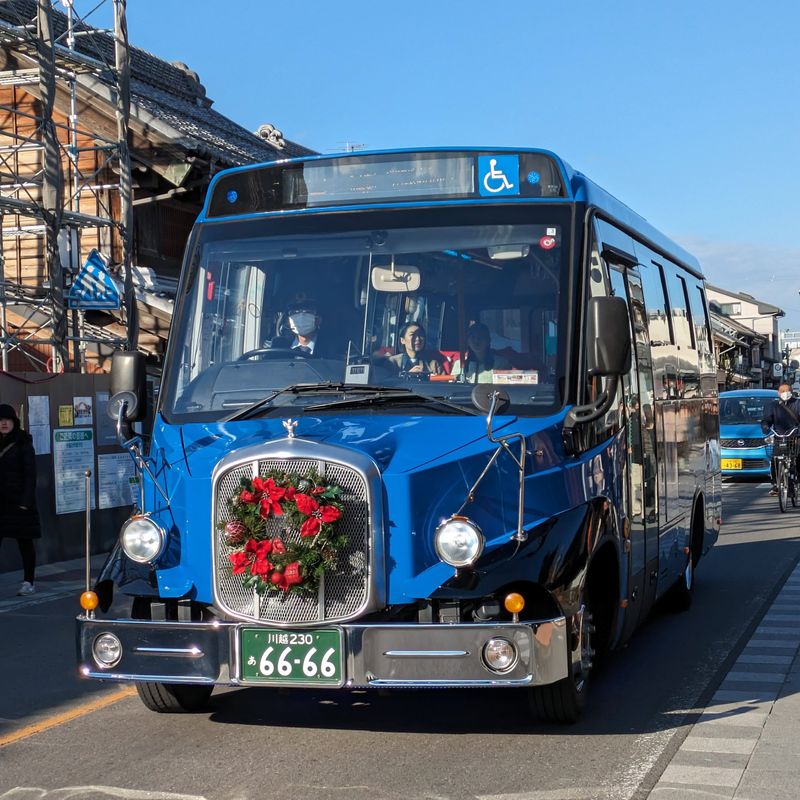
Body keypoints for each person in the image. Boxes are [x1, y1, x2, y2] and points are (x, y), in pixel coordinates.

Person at [0, 403, 41, 595]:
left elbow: (30, 474)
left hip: (19, 503)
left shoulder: (23, 442)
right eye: (0, 420)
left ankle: (28, 582)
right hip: (1, 503)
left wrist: (25, 502)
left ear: (14, 422)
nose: (4, 423)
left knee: (25, 543)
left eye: (7, 420)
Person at [761, 383, 800, 495]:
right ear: (778, 393)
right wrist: (765, 426)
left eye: (787, 391)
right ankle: (776, 484)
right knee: (775, 460)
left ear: (791, 392)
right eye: (782, 391)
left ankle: (795, 480)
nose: (785, 393)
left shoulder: (797, 403)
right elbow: (767, 419)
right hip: (779, 437)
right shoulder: (773, 405)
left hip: (795, 436)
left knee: (797, 459)